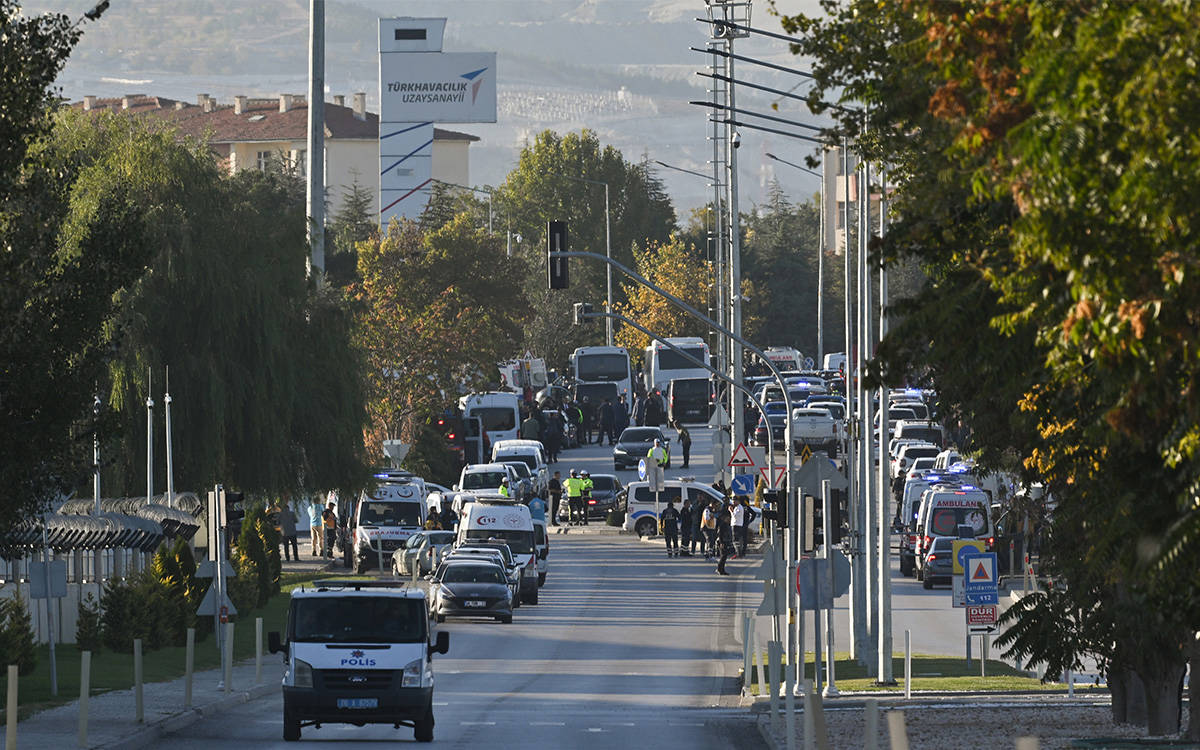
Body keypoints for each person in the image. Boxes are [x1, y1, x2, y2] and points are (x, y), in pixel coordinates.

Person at [715, 501, 734, 575]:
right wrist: (721, 542)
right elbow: (720, 534)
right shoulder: (722, 525)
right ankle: (720, 569)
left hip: (725, 541)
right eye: (728, 518)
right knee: (723, 556)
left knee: (724, 556)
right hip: (722, 541)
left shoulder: (726, 524)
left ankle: (722, 570)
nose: (729, 519)